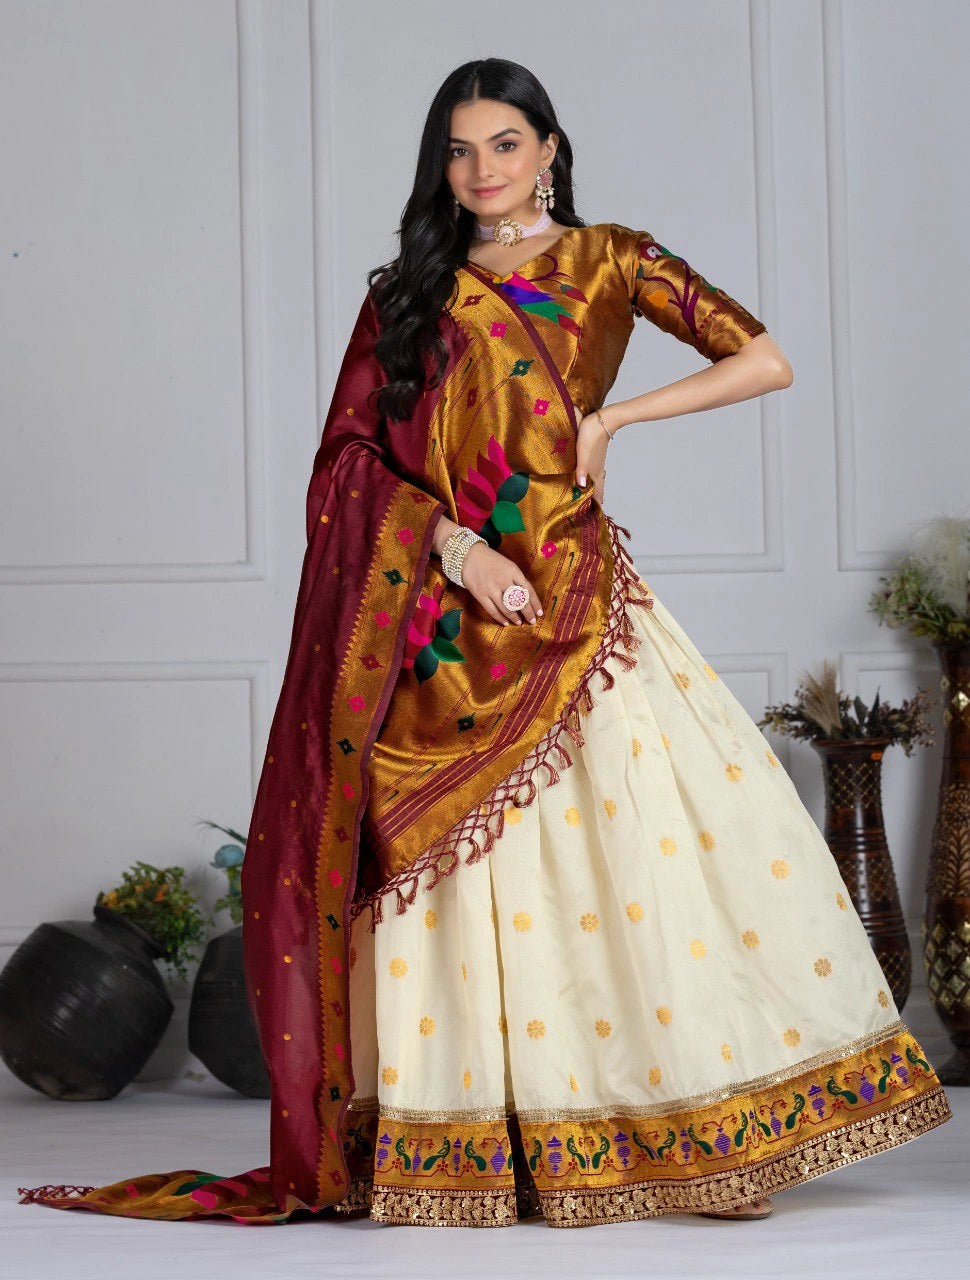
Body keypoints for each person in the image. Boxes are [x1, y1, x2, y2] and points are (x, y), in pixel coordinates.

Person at [19, 56, 951, 1230]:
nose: (482, 171)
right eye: (458, 151)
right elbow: (352, 467)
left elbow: (761, 356)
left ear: (548, 148)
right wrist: (461, 554)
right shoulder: (410, 293)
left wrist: (614, 418)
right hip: (443, 617)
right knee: (463, 898)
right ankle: (476, 1139)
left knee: (639, 872)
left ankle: (689, 1132)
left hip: (578, 609)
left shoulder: (612, 258)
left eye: (504, 145)